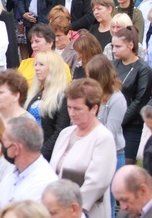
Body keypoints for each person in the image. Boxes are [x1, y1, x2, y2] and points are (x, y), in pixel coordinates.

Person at [49, 79, 116, 218]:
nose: (72, 113)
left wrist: (70, 210)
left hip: (86, 212)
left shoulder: (103, 138)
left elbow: (97, 183)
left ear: (94, 109)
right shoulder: (65, 133)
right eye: (69, 107)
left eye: (78, 109)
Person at [0, 116, 58, 211]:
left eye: (4, 141)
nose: (2, 145)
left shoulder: (44, 184)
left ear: (16, 148)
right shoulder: (13, 172)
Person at [111, 26, 152, 164]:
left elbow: (139, 101)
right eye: (113, 46)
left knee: (125, 167)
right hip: (112, 120)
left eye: (118, 46)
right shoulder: (114, 65)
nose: (113, 50)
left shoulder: (143, 69)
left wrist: (119, 121)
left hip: (131, 125)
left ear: (130, 45)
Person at [25, 49, 71, 160]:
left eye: (41, 64)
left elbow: (60, 131)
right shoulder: (36, 93)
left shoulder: (62, 96)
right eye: (35, 64)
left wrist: (41, 154)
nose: (36, 68)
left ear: (53, 68)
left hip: (47, 156)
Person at [85, 55, 126, 169]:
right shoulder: (92, 95)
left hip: (112, 154)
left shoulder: (117, 99)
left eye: (90, 77)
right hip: (91, 151)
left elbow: (110, 132)